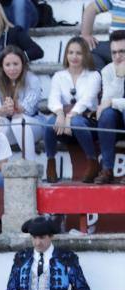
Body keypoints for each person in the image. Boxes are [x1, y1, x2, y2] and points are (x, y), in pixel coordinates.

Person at [44, 37, 102, 184]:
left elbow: (87, 100)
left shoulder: (94, 75)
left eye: (79, 53)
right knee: (49, 123)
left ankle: (92, 162)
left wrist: (70, 116)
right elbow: (53, 99)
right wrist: (59, 114)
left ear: (85, 55)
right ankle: (51, 163)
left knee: (76, 122)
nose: (74, 57)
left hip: (88, 123)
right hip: (65, 123)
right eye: (70, 52)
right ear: (66, 55)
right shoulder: (59, 76)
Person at [4, 216, 92, 290]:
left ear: (51, 236)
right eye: (34, 237)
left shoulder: (66, 258)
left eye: (42, 237)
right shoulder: (22, 257)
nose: (38, 243)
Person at [0, 45, 43, 161]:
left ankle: (30, 165)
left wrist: (13, 107)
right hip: (9, 126)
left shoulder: (32, 79)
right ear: (2, 66)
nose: (12, 69)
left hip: (33, 125)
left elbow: (26, 108)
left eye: (16, 64)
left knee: (18, 121)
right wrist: (5, 108)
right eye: (7, 65)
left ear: (22, 64)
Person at [94, 30, 125, 184]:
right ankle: (107, 169)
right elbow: (106, 102)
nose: (117, 56)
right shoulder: (108, 71)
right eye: (114, 53)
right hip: (118, 122)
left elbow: (109, 101)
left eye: (122, 52)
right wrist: (119, 77)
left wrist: (113, 102)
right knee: (106, 115)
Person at [80, 0, 124, 71]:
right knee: (88, 49)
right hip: (114, 46)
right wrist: (86, 35)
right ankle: (103, 77)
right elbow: (91, 8)